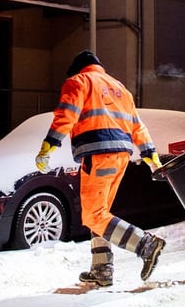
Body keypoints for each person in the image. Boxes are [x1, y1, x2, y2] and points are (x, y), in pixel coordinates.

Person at [35, 50, 165, 287]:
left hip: (98, 153)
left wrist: (49, 145)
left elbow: (66, 115)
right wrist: (150, 156)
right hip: (121, 156)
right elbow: (137, 126)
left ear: (78, 68)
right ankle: (102, 269)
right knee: (100, 213)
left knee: (94, 215)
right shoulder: (120, 88)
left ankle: (145, 245)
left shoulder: (78, 81)